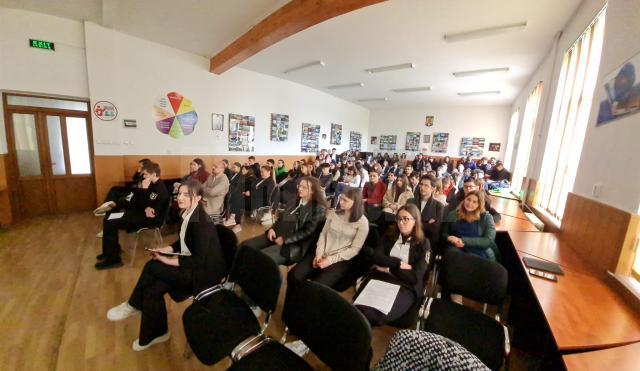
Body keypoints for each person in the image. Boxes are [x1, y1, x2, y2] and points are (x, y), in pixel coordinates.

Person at [105, 180, 227, 351]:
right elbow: (181, 242)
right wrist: (165, 249)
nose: (180, 198)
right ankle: (157, 333)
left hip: (201, 276)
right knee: (152, 290)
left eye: (186, 195)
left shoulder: (201, 223)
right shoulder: (187, 214)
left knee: (152, 266)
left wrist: (166, 259)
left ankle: (133, 305)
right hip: (190, 265)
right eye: (180, 194)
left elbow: (198, 260)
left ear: (198, 198)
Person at [354, 204, 431, 326]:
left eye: (406, 219)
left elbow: (415, 277)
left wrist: (387, 268)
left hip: (405, 287)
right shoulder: (390, 233)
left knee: (375, 316)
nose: (401, 222)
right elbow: (376, 256)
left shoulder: (424, 244)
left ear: (415, 221)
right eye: (398, 218)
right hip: (380, 278)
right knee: (359, 310)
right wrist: (397, 263)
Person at [96, 161, 169, 270]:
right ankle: (111, 251)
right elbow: (140, 202)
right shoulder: (152, 184)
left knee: (111, 222)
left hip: (149, 219)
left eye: (146, 174)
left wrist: (143, 190)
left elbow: (147, 208)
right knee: (108, 218)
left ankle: (114, 259)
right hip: (140, 214)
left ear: (154, 175)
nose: (143, 176)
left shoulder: (159, 189)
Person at [290, 187, 369, 287]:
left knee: (317, 287)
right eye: (341, 198)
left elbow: (354, 249)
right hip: (322, 251)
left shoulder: (362, 222)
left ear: (356, 203)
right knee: (293, 275)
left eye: (345, 200)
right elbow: (323, 234)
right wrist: (319, 254)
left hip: (341, 259)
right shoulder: (334, 213)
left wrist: (330, 260)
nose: (341, 202)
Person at [240, 177, 327, 265]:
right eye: (299, 186)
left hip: (292, 244)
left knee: (262, 259)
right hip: (276, 234)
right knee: (245, 245)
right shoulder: (295, 200)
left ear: (312, 191)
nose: (300, 189)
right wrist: (272, 228)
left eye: (304, 187)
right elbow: (281, 218)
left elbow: (308, 232)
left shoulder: (318, 208)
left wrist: (285, 239)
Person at [441, 191, 498, 261]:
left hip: (478, 251)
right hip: (455, 249)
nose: (470, 203)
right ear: (464, 199)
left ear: (479, 204)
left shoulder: (487, 217)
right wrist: (449, 238)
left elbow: (489, 241)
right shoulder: (453, 214)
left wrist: (463, 241)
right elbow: (443, 233)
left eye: (474, 202)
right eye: (468, 199)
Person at [408, 175, 444, 249]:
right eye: (421, 184)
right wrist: (426, 224)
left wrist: (414, 222)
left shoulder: (438, 206)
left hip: (427, 241)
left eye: (426, 185)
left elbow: (434, 229)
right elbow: (405, 221)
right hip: (410, 237)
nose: (422, 187)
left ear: (433, 188)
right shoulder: (410, 201)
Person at [224, 162, 244, 233]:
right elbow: (228, 181)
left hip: (237, 193)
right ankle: (226, 215)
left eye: (234, 167)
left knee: (236, 197)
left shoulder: (241, 176)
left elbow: (237, 187)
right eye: (232, 167)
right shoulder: (232, 174)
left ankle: (233, 216)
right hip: (229, 190)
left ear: (239, 168)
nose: (233, 168)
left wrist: (229, 185)